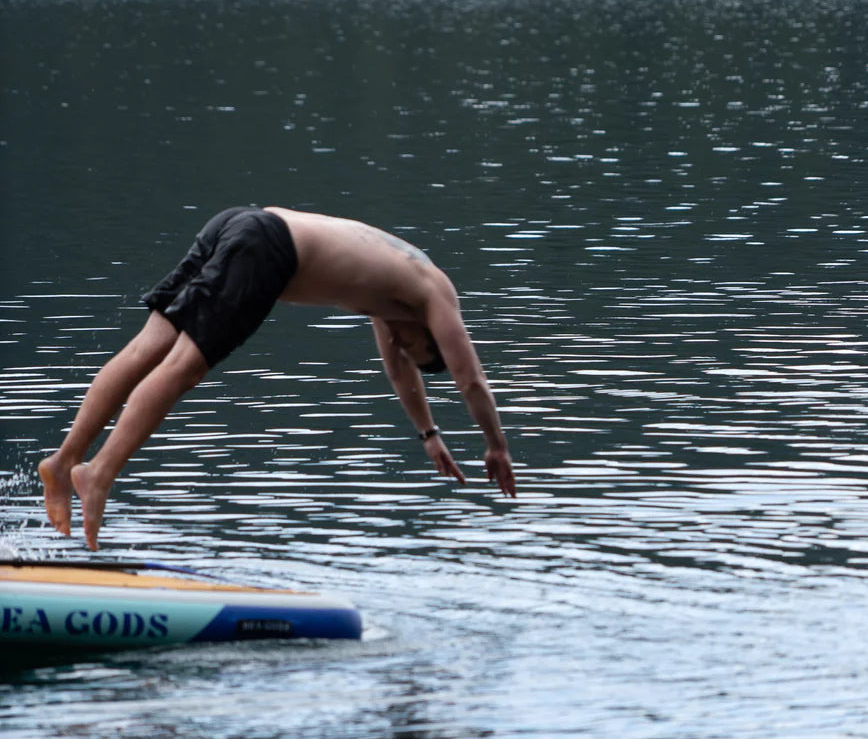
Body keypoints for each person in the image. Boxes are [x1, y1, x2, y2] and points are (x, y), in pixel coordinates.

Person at [38, 206, 516, 550]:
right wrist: (496, 444)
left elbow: (397, 373)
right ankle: (98, 474)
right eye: (412, 344)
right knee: (182, 369)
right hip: (266, 249)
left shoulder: (397, 283)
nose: (398, 342)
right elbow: (469, 377)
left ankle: (63, 462)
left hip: (238, 222)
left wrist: (429, 435)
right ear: (429, 333)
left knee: (147, 349)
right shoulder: (436, 295)